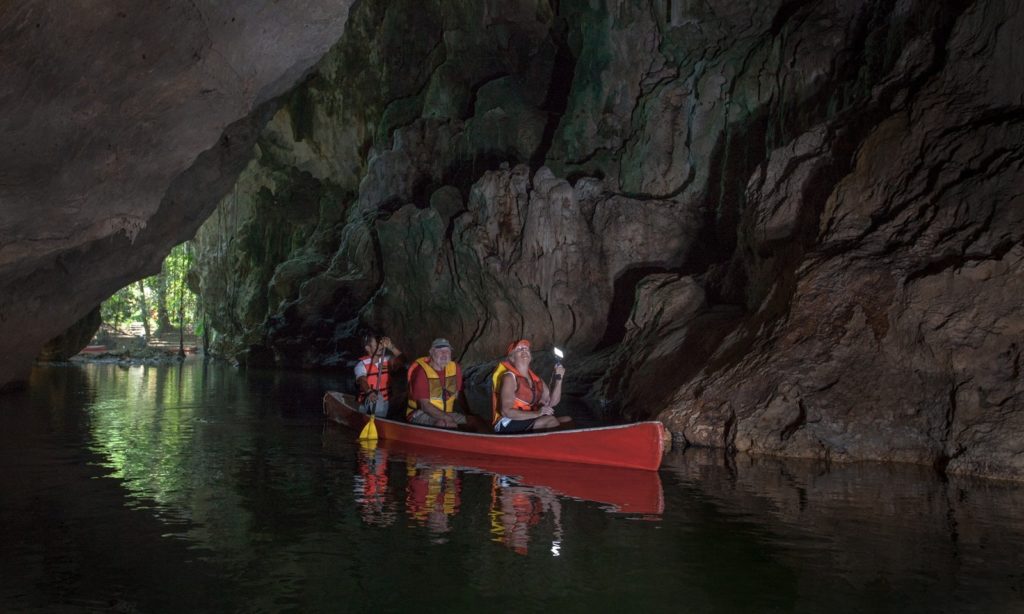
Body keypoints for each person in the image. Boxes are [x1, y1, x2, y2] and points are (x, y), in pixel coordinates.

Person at [491, 339, 570, 433]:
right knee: (551, 421)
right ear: (512, 358)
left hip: (527, 417)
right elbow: (506, 411)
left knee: (567, 419)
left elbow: (552, 403)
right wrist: (537, 413)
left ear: (531, 356)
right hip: (507, 422)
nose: (524, 350)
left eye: (526, 348)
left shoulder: (537, 380)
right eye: (519, 349)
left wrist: (558, 379)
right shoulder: (509, 377)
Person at [406, 338, 468, 428]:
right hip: (420, 413)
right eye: (440, 351)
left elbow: (459, 395)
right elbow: (424, 405)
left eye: (447, 351)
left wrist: (469, 414)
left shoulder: (455, 368)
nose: (444, 354)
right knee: (445, 423)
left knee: (475, 421)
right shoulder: (421, 372)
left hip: (446, 413)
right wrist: (447, 418)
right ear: (431, 352)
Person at [354, 333, 403, 417]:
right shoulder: (361, 365)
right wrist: (369, 392)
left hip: (388, 401)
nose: (380, 346)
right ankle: (379, 421)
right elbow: (362, 380)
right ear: (368, 348)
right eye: (377, 344)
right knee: (378, 398)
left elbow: (403, 360)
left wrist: (391, 346)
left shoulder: (387, 360)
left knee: (405, 396)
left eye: (380, 344)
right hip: (371, 401)